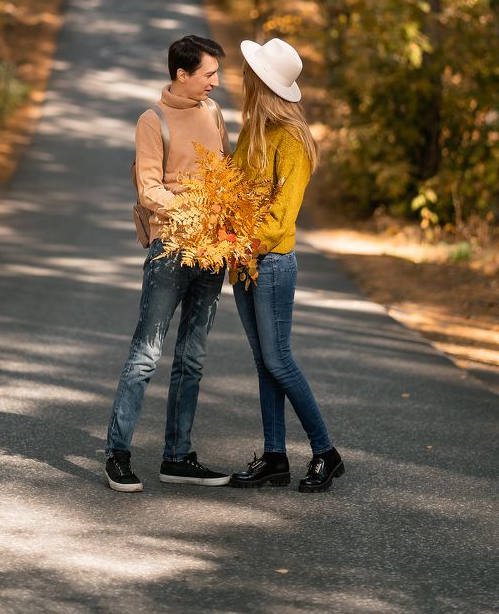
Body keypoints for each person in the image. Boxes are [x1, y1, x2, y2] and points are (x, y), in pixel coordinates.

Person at [105, 34, 231, 492]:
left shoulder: (215, 115)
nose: (216, 82)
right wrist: (194, 204)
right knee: (145, 355)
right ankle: (117, 454)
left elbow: (224, 177)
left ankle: (177, 456)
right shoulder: (151, 120)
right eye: (208, 73)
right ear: (182, 74)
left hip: (211, 251)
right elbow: (149, 190)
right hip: (171, 251)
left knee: (192, 359)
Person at [229, 37, 345, 493]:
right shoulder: (251, 131)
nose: (241, 77)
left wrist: (245, 245)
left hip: (272, 262)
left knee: (279, 360)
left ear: (262, 82)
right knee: (264, 363)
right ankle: (275, 457)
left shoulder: (293, 140)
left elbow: (281, 218)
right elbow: (233, 193)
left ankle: (326, 452)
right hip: (243, 263)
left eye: (248, 72)